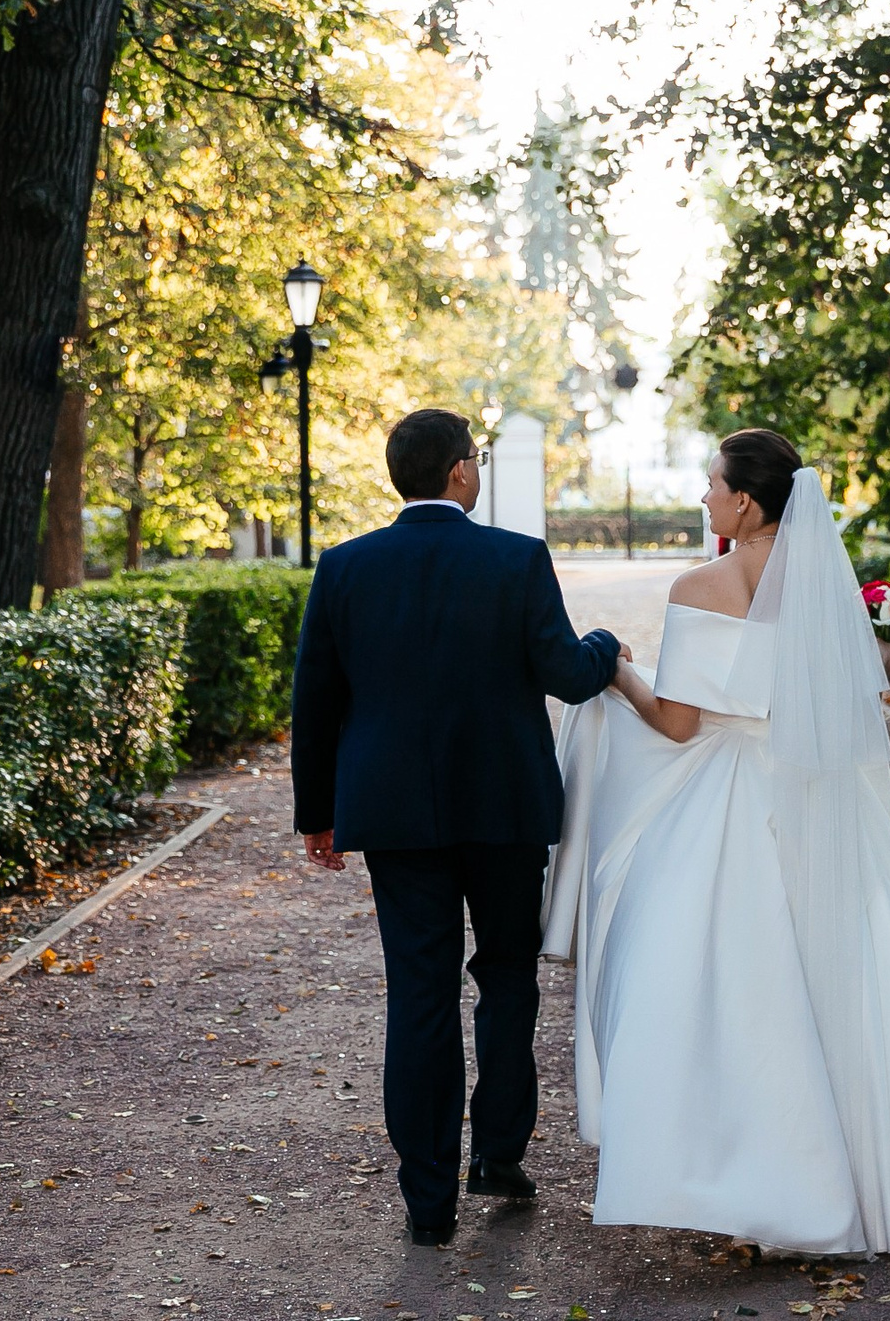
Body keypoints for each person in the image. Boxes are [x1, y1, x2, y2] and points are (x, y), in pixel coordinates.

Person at [542, 428, 890, 1253]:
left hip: (720, 805)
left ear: (743, 501)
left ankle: (746, 1177)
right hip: (808, 800)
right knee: (839, 985)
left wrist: (619, 676)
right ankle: (872, 1173)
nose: (704, 497)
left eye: (711, 484)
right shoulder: (825, 590)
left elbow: (678, 724)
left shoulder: (698, 583)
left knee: (723, 997)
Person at [291, 408, 624, 1247]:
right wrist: (607, 643)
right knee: (508, 974)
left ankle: (427, 1199)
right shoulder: (515, 558)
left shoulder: (345, 566)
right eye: (473, 459)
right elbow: (566, 672)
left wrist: (317, 815)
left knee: (420, 990)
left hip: (394, 815)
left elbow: (315, 703)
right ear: (461, 473)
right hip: (506, 808)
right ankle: (499, 1155)